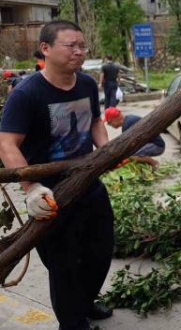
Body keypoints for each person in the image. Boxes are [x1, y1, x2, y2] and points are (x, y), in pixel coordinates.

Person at [0, 20, 114, 330]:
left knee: (100, 251)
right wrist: (31, 188)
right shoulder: (26, 94)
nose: (79, 52)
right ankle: (73, 323)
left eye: (82, 45)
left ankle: (86, 301)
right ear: (46, 49)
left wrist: (106, 151)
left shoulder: (87, 84)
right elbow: (7, 143)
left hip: (89, 184)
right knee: (63, 265)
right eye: (71, 46)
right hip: (51, 194)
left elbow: (95, 121)